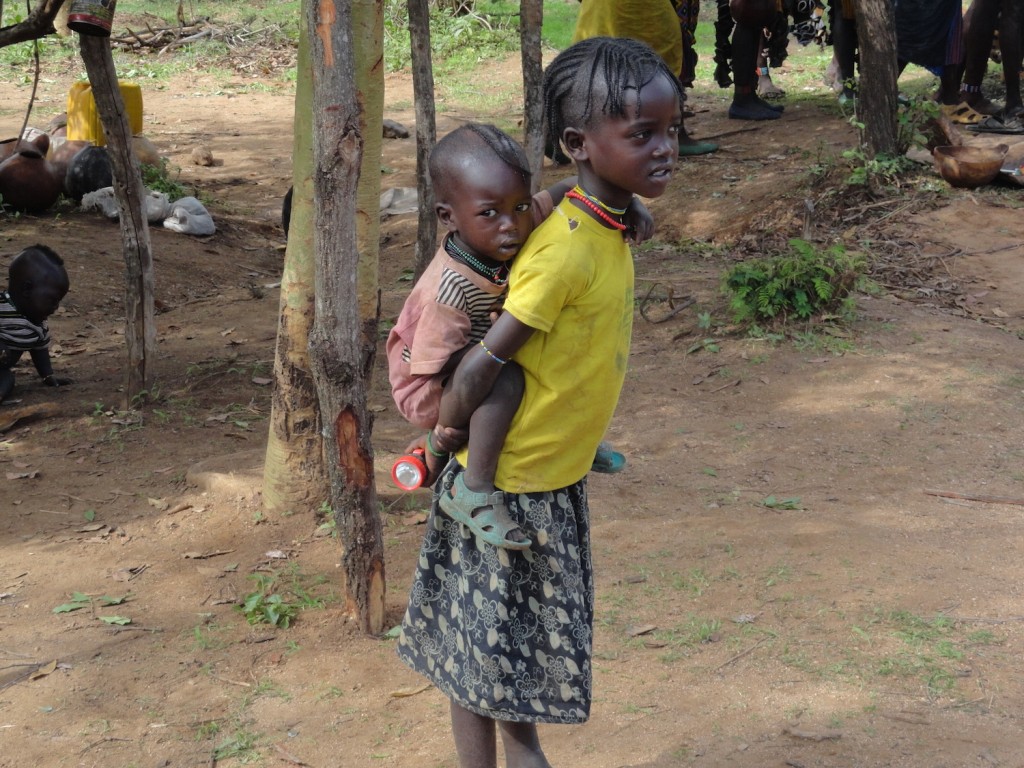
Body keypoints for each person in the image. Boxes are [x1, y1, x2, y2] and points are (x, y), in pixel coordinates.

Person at [397, 36, 681, 767]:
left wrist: (631, 216)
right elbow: (487, 368)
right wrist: (448, 443)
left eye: (672, 130)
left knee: (494, 654)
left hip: (551, 475)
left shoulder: (600, 222)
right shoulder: (561, 251)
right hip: (511, 490)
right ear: (579, 144)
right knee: (490, 658)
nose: (664, 149)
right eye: (642, 134)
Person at [387, 123, 651, 549]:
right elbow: (432, 364)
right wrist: (447, 425)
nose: (510, 225)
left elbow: (569, 186)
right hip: (430, 382)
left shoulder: (514, 222)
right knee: (505, 372)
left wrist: (631, 205)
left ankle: (568, 439)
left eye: (521, 207)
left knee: (538, 344)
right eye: (490, 213)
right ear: (448, 216)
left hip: (473, 358)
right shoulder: (449, 292)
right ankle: (473, 490)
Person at [571, 0, 718, 155]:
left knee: (596, 60)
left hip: (598, 7)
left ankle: (555, 129)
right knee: (662, 61)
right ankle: (676, 134)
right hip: (645, 9)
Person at [0, 245, 72, 404]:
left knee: (7, 380)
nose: (56, 307)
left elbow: (39, 349)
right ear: (27, 289)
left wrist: (47, 375)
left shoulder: (38, 322)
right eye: (53, 300)